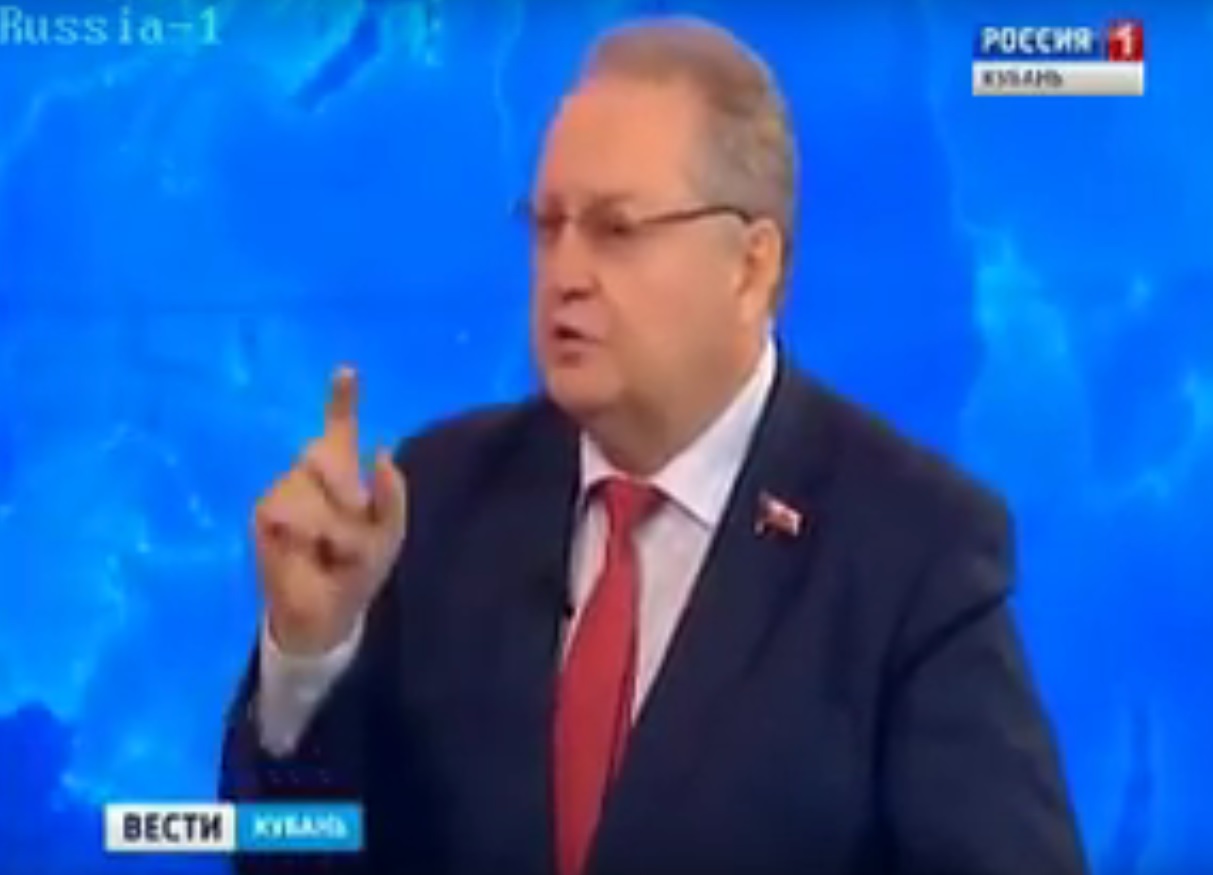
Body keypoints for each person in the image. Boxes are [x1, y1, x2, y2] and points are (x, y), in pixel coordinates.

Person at [220, 16, 1089, 875]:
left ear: (750, 267)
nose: (565, 273)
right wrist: (307, 656)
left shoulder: (911, 550)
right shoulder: (436, 500)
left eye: (616, 229)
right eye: (547, 225)